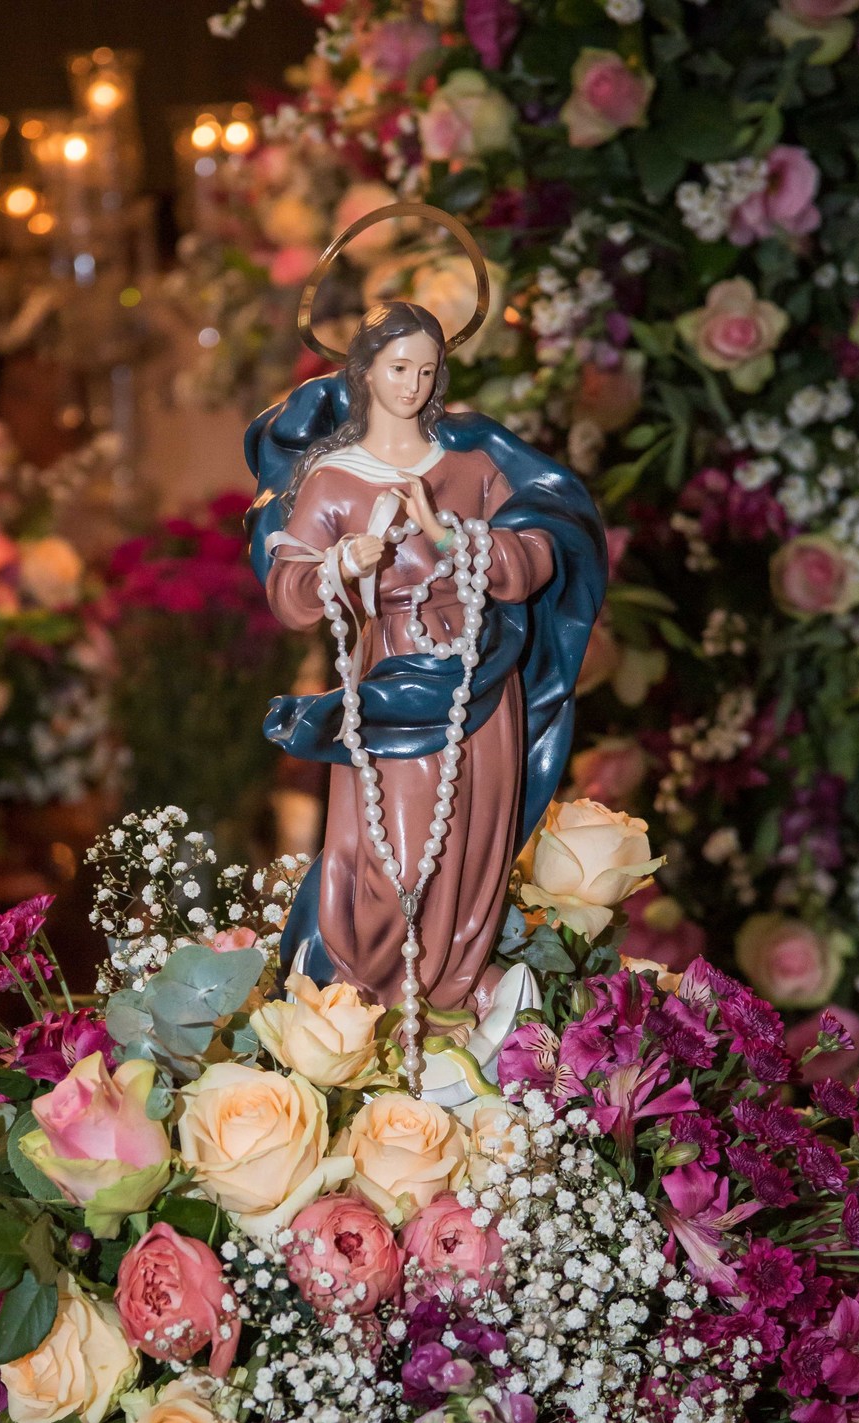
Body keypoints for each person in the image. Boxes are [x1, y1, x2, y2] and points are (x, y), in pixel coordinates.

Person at [246, 294, 607, 1061]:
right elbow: (288, 590)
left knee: (475, 845)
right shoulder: (335, 481)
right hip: (395, 686)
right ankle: (372, 1008)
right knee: (397, 861)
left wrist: (456, 538)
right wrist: (342, 563)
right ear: (367, 373)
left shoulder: (473, 469)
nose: (412, 384)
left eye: (426, 370)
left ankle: (450, 1003)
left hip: (482, 682)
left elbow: (539, 557)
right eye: (397, 367)